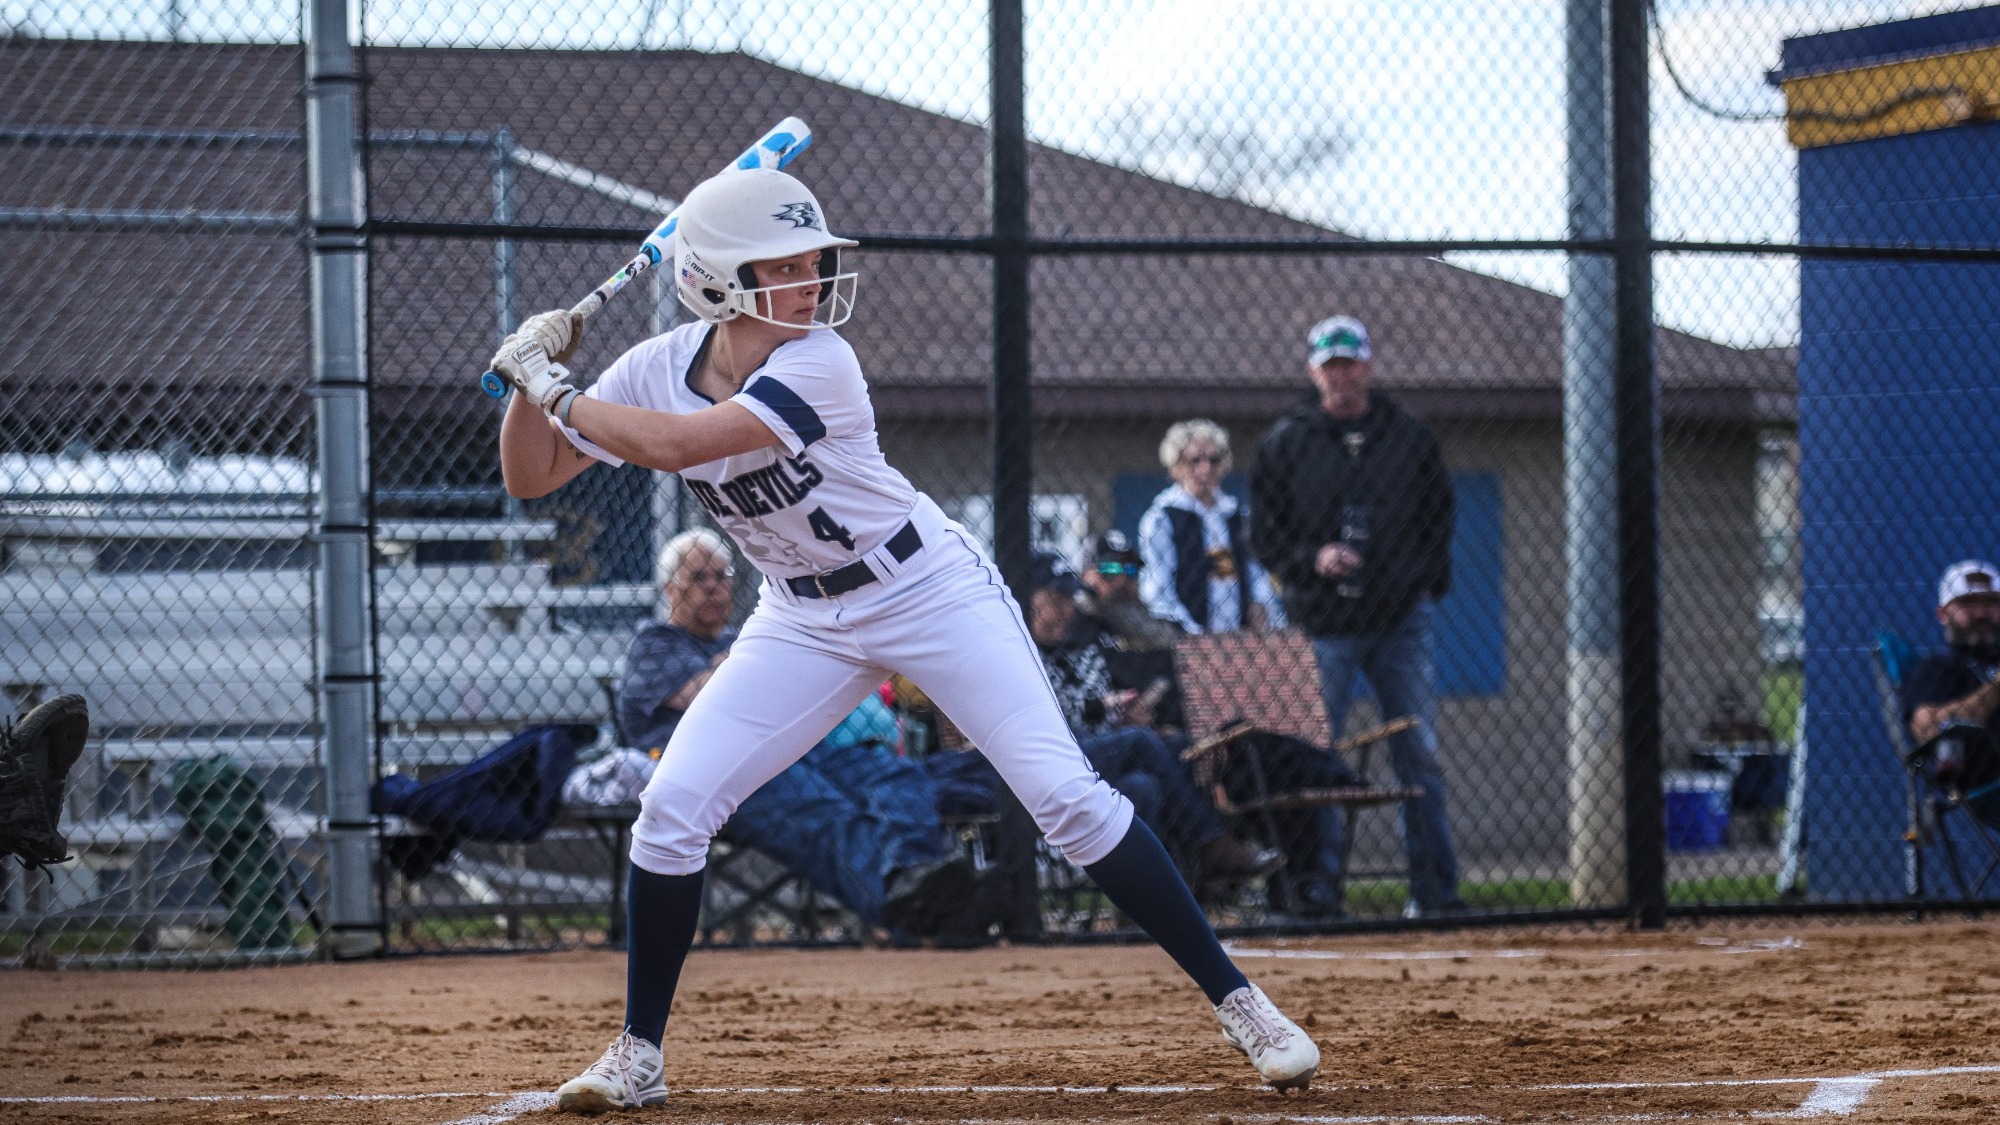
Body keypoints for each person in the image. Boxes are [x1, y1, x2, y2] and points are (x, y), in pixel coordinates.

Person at [491, 167, 1319, 1111]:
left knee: (1066, 798)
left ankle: (1244, 1004)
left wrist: (555, 387)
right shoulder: (652, 369)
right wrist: (526, 384)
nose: (811, 281)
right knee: (671, 809)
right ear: (716, 280)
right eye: (784, 266)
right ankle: (639, 1052)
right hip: (800, 615)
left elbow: (683, 446)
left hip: (925, 588)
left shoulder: (821, 360)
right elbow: (531, 476)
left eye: (813, 261)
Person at [608, 527, 975, 937]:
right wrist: (760, 655)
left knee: (891, 774)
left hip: (792, 750)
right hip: (720, 772)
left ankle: (923, 879)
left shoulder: (740, 640)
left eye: (720, 576)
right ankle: (914, 914)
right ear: (670, 591)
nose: (712, 587)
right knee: (825, 813)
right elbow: (708, 696)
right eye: (697, 578)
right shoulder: (656, 643)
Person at [1249, 314, 1466, 919]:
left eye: (1349, 365)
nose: (1340, 376)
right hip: (1322, 624)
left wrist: (1415, 582)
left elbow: (1439, 519)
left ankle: (1433, 892)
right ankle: (1315, 889)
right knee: (1313, 756)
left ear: (1367, 366)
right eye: (1330, 366)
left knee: (1417, 752)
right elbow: (1265, 536)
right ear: (1313, 371)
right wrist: (1313, 559)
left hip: (1400, 620)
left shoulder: (1409, 436)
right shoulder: (1286, 441)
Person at [1026, 551, 1280, 887]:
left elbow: (1098, 712)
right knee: (1140, 742)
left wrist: (1122, 716)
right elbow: (1049, 718)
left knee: (1157, 770)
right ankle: (1211, 846)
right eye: (1055, 600)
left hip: (1094, 758)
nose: (1066, 610)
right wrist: (1101, 709)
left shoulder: (1082, 646)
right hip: (1051, 763)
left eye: (1068, 600)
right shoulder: (1019, 651)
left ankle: (1176, 888)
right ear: (1027, 598)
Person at [1138, 419, 1286, 635]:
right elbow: (1158, 590)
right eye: (1195, 460)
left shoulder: (1235, 516)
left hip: (1239, 639)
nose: (1205, 468)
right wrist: (1191, 634)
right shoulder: (1163, 519)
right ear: (1177, 467)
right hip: (1187, 637)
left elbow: (1257, 574)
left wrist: (1262, 606)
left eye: (1214, 460)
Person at [1902, 559, 2000, 824]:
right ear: (1943, 614)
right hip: (1989, 785)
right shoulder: (1937, 669)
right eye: (1968, 604)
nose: (1981, 613)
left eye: (1990, 603)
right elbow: (1928, 728)